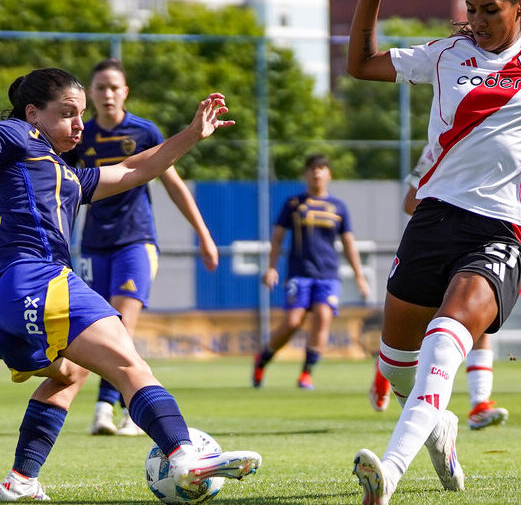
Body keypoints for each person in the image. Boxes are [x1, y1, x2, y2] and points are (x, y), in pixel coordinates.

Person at [345, 0, 521, 502]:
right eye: (472, 8)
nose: (477, 20)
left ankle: (388, 473)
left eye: (491, 9)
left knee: (445, 341)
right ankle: (441, 427)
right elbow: (361, 66)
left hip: (502, 232)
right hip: (434, 221)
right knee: (396, 366)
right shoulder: (443, 54)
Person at [0, 68, 260, 501]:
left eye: (81, 115)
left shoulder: (64, 173)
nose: (79, 125)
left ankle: (20, 480)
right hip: (39, 277)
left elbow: (135, 169)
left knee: (69, 374)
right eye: (67, 114)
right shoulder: (16, 135)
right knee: (129, 364)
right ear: (32, 114)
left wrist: (193, 134)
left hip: (15, 294)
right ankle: (181, 454)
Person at [63, 58, 219, 437]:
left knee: (121, 323)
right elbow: (62, 191)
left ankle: (108, 408)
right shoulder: (80, 134)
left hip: (136, 242)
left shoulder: (144, 131)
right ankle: (119, 406)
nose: (107, 94)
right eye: (100, 88)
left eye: (114, 87)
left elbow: (174, 185)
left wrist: (204, 235)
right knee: (95, 327)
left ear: (125, 92)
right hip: (95, 246)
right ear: (90, 95)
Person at [370, 145, 509, 431]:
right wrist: (446, 216)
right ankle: (386, 372)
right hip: (435, 248)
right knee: (420, 328)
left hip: (475, 247)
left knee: (476, 322)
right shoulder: (439, 145)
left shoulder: (493, 141)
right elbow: (410, 202)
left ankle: (479, 403)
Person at [252, 154, 370, 389]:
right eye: (312, 169)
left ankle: (306, 374)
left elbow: (348, 243)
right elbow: (277, 238)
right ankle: (262, 359)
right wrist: (271, 268)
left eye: (322, 168)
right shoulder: (294, 204)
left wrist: (359, 276)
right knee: (293, 322)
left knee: (324, 316)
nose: (317, 172)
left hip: (328, 274)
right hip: (300, 273)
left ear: (329, 174)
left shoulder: (338, 207)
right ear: (306, 174)